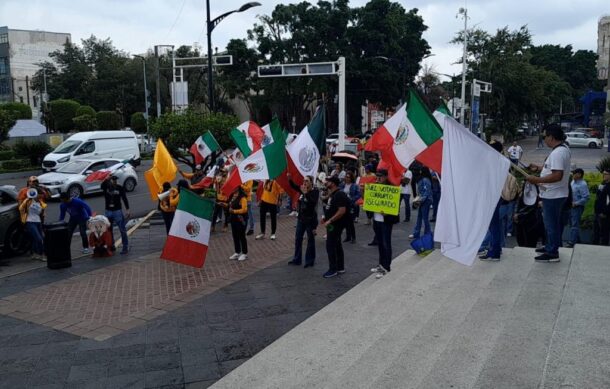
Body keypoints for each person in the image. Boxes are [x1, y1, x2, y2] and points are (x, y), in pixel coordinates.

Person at [526, 124, 571, 262]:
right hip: (555, 194)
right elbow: (554, 169)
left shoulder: (558, 153)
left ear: (551, 137)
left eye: (544, 136)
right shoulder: (562, 149)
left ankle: (552, 253)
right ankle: (551, 246)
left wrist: (537, 179)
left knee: (551, 224)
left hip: (553, 195)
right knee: (551, 224)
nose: (544, 139)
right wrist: (540, 168)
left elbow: (557, 175)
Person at [369, 169, 399, 278]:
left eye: (380, 176)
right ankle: (381, 264)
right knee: (380, 243)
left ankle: (386, 267)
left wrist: (388, 213)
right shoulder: (375, 186)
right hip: (376, 219)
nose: (378, 178)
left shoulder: (391, 188)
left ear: (386, 176)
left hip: (386, 221)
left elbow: (395, 206)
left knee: (386, 244)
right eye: (377, 176)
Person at [287, 174, 319, 268]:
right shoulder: (302, 189)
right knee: (298, 239)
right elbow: (293, 186)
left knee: (310, 240)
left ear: (311, 183)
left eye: (307, 181)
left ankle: (310, 261)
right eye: (304, 181)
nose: (304, 183)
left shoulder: (315, 192)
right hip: (301, 219)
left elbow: (312, 203)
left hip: (310, 220)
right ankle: (297, 259)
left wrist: (305, 193)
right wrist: (289, 178)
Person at [321, 176, 349, 278]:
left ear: (333, 183)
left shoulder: (339, 194)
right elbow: (330, 207)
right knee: (337, 245)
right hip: (332, 224)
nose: (325, 182)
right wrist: (325, 218)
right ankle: (340, 267)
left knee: (330, 246)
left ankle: (333, 269)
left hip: (336, 224)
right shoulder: (332, 194)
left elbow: (342, 210)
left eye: (328, 181)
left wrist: (330, 220)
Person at [101, 175, 131, 255]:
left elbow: (124, 198)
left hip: (117, 210)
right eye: (112, 180)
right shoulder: (106, 187)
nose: (114, 181)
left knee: (122, 229)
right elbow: (102, 185)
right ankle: (111, 245)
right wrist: (106, 178)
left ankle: (125, 246)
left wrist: (127, 209)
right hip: (108, 210)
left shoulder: (119, 188)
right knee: (109, 229)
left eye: (115, 180)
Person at [19, 188, 47, 261]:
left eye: (42, 195)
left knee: (38, 238)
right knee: (38, 238)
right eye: (40, 195)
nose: (41, 197)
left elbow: (42, 213)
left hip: (38, 221)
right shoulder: (28, 201)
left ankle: (35, 254)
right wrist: (24, 217)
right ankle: (41, 254)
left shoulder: (41, 203)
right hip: (30, 221)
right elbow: (21, 208)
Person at [566, 168, 589, 248]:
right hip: (570, 206)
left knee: (574, 224)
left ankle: (572, 242)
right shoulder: (573, 182)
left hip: (577, 207)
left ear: (579, 175)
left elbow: (586, 198)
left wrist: (576, 203)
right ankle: (577, 240)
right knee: (572, 224)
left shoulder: (583, 184)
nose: (572, 175)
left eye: (574, 173)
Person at [409, 168, 433, 240]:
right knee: (420, 217)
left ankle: (427, 233)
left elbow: (426, 192)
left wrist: (419, 200)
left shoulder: (425, 180)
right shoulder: (425, 179)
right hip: (424, 200)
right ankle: (418, 233)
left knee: (424, 217)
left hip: (425, 200)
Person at [228, 186, 249, 261]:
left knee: (242, 236)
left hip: (241, 219)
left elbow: (244, 209)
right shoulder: (232, 195)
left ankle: (244, 253)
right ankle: (237, 252)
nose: (233, 188)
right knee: (235, 236)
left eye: (234, 187)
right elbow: (230, 205)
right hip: (233, 219)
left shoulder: (242, 197)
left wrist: (234, 211)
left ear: (238, 187)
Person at [342, 172, 361, 244]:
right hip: (343, 205)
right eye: (346, 177)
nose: (347, 178)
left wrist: (352, 199)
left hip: (350, 205)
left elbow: (358, 195)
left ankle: (353, 237)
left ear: (351, 178)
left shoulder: (354, 186)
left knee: (350, 222)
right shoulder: (342, 185)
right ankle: (348, 236)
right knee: (346, 222)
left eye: (348, 177)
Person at [594, 169, 610, 245]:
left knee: (604, 233)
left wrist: (604, 212)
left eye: (606, 174)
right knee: (598, 232)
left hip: (604, 214)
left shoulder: (608, 187)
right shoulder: (603, 184)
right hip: (598, 212)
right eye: (603, 173)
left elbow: (608, 202)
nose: (603, 175)